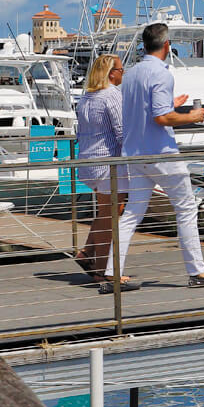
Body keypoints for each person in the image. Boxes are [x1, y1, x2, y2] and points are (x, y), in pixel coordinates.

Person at [107, 22, 204, 288]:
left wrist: (171, 105)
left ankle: (112, 272)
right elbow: (161, 118)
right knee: (186, 208)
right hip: (161, 153)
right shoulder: (162, 74)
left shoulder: (131, 74)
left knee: (131, 213)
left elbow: (145, 110)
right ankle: (198, 272)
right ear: (166, 45)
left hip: (135, 154)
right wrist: (192, 116)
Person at [73, 55, 125, 283]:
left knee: (107, 211)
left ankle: (87, 253)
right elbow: (122, 132)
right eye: (122, 69)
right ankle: (102, 270)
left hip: (88, 162)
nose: (124, 73)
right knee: (112, 214)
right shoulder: (112, 95)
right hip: (107, 162)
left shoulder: (86, 97)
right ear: (112, 73)